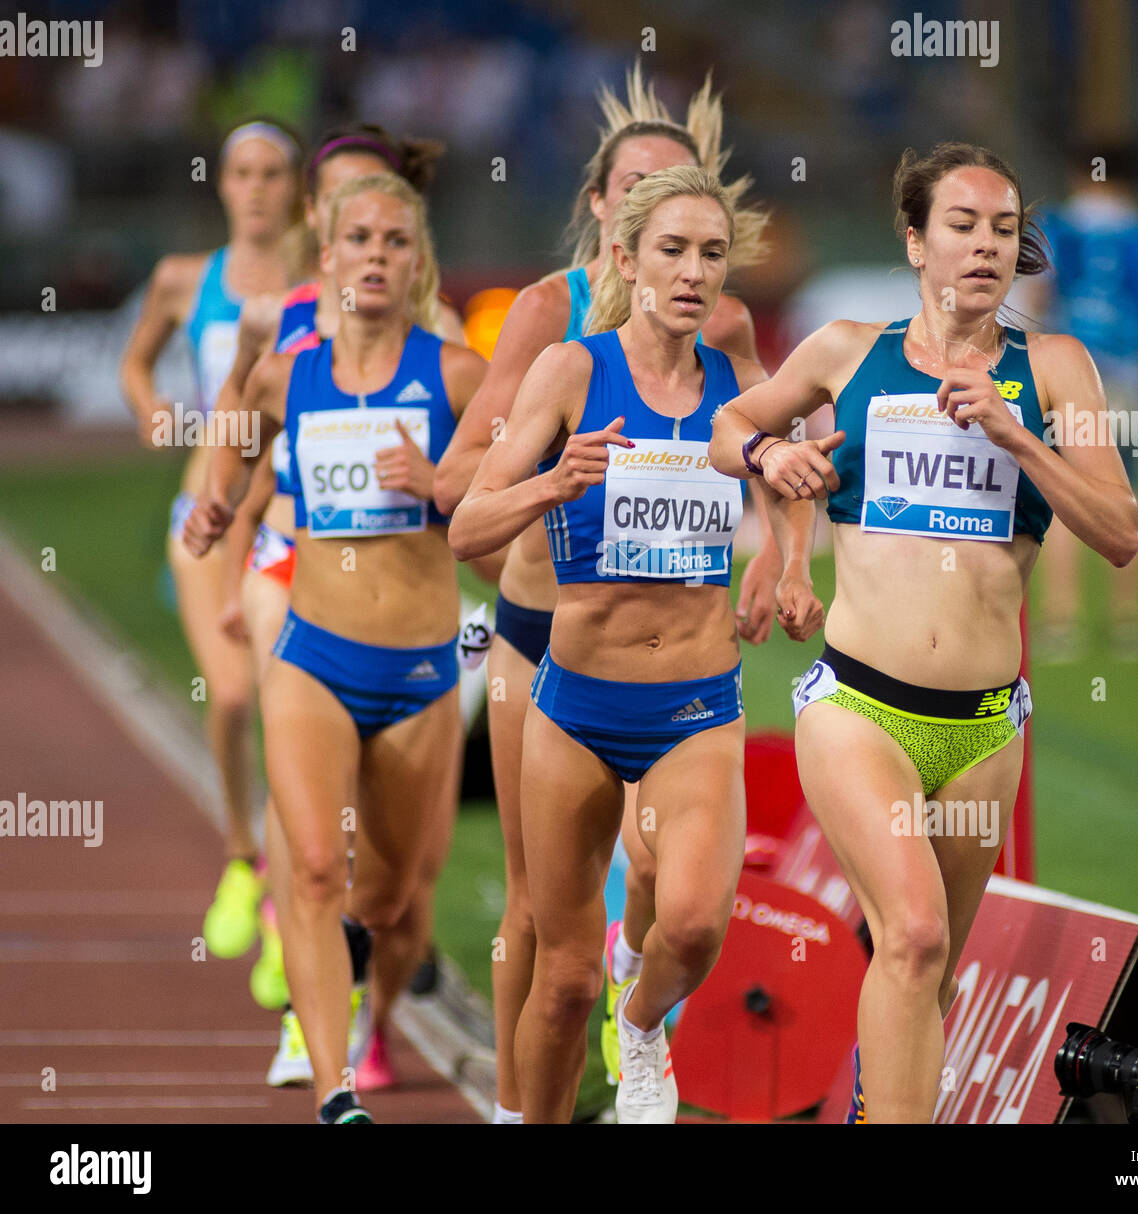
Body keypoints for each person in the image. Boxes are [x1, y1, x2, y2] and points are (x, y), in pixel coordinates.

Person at [709, 142, 1138, 1123]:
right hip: (858, 706)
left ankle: (871, 1107)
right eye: (961, 225)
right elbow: (727, 421)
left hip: (986, 728)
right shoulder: (846, 350)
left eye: (1002, 228)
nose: (985, 246)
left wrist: (1018, 435)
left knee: (926, 965)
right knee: (907, 934)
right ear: (915, 239)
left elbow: (1118, 534)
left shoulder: (1055, 368)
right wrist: (773, 453)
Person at [432, 64, 780, 1123]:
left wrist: (779, 551)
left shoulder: (727, 347)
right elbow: (462, 504)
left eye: (705, 246)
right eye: (662, 239)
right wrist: (557, 485)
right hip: (552, 659)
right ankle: (519, 1108)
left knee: (686, 919)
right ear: (613, 233)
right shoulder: (556, 334)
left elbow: (782, 451)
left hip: (689, 690)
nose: (687, 265)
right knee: (550, 942)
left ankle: (641, 1026)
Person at [185, 173, 488, 1122]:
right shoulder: (288, 370)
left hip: (421, 669)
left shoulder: (455, 376)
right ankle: (332, 1090)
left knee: (391, 897)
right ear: (328, 258)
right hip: (313, 657)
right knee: (314, 867)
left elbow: (497, 515)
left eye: (394, 241)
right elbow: (236, 426)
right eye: (357, 238)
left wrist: (439, 482)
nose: (374, 256)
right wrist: (221, 503)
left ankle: (358, 980)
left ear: (415, 261)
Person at [119, 119, 301, 962]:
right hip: (206, 509)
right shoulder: (184, 280)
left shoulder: (321, 279)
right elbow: (135, 363)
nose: (257, 188)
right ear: (221, 185)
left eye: (273, 173)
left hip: (294, 510)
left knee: (291, 710)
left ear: (297, 187)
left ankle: (296, 897)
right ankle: (242, 858)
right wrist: (151, 407)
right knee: (230, 698)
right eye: (242, 172)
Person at [1021, 143, 1138, 662]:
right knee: (1131, 496)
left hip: (1072, 377)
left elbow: (1038, 299)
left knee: (1066, 499)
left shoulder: (1058, 228)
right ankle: (1127, 622)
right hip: (1130, 374)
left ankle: (1061, 622)